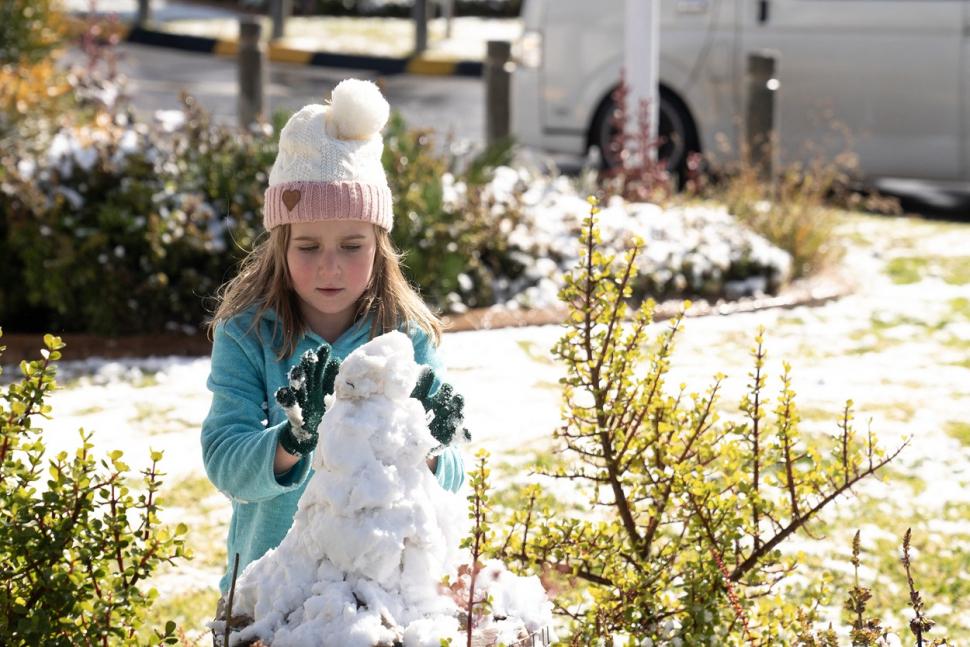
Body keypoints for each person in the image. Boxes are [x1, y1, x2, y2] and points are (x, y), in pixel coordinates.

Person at [200, 79, 467, 623]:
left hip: (382, 603)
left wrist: (433, 444)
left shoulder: (404, 337)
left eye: (352, 246)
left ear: (379, 244)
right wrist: (293, 439)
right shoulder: (247, 334)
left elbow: (454, 476)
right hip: (271, 601)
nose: (330, 266)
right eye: (308, 246)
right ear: (280, 242)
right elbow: (225, 460)